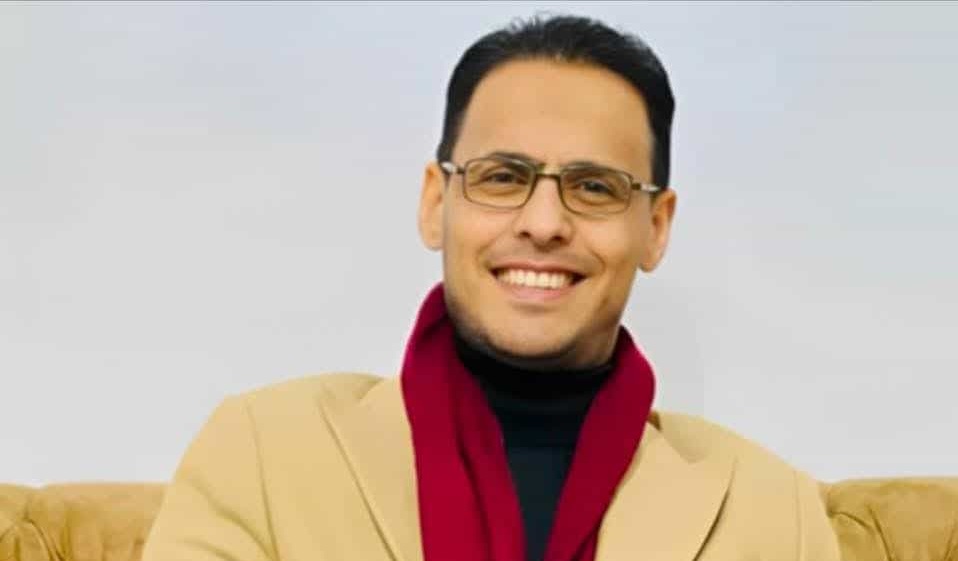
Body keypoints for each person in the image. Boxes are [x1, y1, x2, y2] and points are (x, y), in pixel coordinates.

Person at [142, 14, 841, 561]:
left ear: (656, 227)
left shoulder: (773, 508)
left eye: (595, 187)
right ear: (434, 203)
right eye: (502, 177)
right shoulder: (263, 453)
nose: (544, 223)